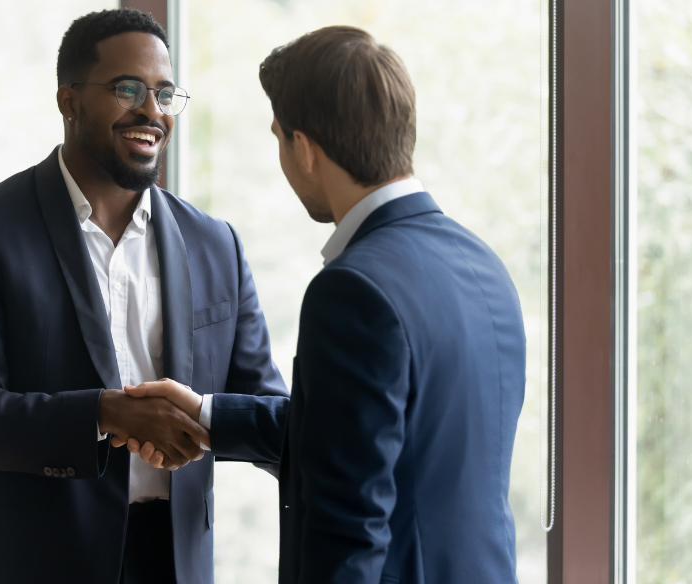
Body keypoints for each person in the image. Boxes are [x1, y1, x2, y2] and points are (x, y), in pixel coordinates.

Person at [130, 24, 526, 584]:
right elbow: (377, 438)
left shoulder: (353, 290)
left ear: (306, 149)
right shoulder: (484, 264)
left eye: (278, 137)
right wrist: (208, 414)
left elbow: (350, 525)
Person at [0, 8, 287, 584]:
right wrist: (101, 412)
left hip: (174, 562)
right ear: (69, 100)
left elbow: (270, 414)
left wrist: (208, 418)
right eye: (128, 89)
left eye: (165, 93)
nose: (152, 110)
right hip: (31, 564)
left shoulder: (217, 244)